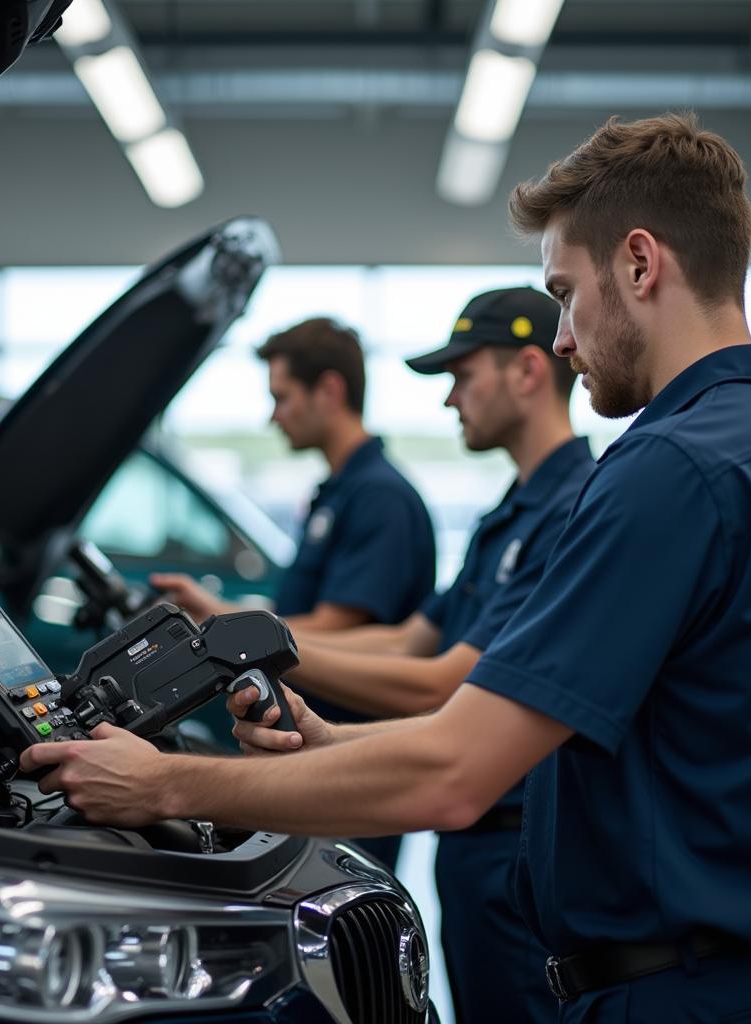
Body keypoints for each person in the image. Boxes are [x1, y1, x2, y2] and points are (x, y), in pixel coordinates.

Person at [23, 113, 751, 1023]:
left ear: (639, 263)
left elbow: (459, 772)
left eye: (564, 292)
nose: (560, 340)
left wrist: (165, 783)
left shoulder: (670, 469)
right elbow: (567, 737)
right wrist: (329, 745)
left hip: (679, 997)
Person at [272, 286, 592, 1023]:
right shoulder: (507, 515)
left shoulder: (572, 510)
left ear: (526, 371)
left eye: (463, 375)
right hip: (472, 850)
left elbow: (448, 682)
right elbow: (412, 638)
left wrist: (271, 647)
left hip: (513, 844)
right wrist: (256, 634)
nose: (451, 400)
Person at [154, 316, 436, 868]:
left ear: (329, 391)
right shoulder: (337, 491)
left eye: (282, 397)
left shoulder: (380, 498)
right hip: (310, 745)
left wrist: (228, 620)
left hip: (350, 752)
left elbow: (345, 627)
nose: (273, 414)